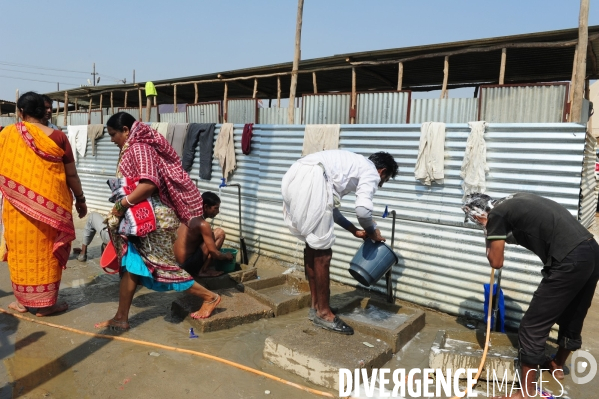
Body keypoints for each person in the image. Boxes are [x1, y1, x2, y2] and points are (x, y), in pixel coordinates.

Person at [462, 193, 599, 399]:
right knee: (574, 314)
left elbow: (496, 262)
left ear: (480, 213)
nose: (477, 223)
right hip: (591, 251)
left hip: (569, 258)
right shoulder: (515, 201)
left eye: (475, 219)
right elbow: (525, 233)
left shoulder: (497, 215)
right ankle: (557, 365)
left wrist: (488, 229)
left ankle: (526, 392)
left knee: (531, 326)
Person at [95, 112, 222, 331]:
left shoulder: (139, 148)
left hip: (153, 220)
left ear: (126, 130)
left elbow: (149, 184)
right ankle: (121, 317)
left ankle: (210, 297)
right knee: (130, 267)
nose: (112, 140)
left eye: (114, 134)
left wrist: (120, 206)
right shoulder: (133, 148)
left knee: (162, 269)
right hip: (140, 219)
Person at [281, 150, 398, 335]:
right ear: (382, 171)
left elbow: (330, 209)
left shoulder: (346, 165)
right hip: (311, 177)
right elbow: (363, 211)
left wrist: (354, 231)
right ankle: (324, 314)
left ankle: (315, 306)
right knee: (323, 254)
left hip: (293, 176)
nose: (380, 185)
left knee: (312, 246)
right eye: (384, 180)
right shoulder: (370, 171)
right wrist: (372, 231)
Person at [0, 92, 87, 316]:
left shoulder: (8, 134)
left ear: (21, 112)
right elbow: (72, 175)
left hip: (17, 207)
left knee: (21, 253)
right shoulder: (58, 137)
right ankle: (46, 304)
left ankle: (21, 302)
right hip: (52, 211)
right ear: (44, 109)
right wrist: (80, 199)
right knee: (46, 255)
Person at [174, 191, 232, 278]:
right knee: (220, 234)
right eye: (216, 208)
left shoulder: (189, 214)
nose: (218, 211)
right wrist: (226, 256)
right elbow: (214, 253)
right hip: (187, 266)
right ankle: (202, 271)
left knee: (214, 233)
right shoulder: (203, 224)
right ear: (206, 207)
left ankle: (201, 268)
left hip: (177, 263)